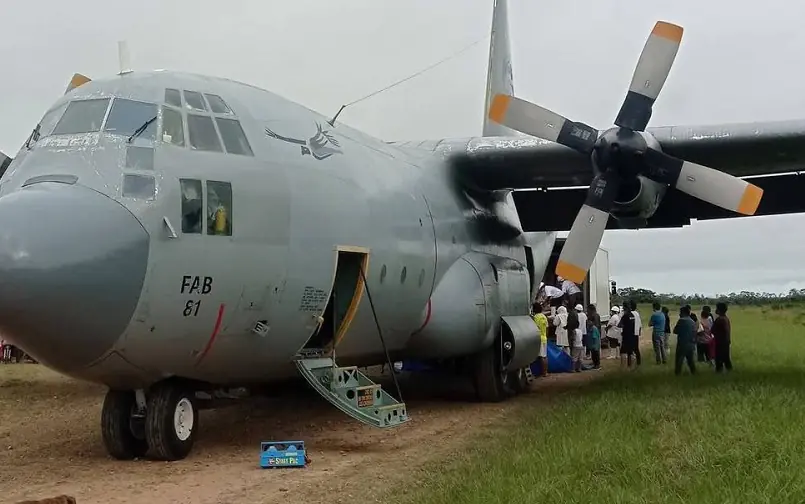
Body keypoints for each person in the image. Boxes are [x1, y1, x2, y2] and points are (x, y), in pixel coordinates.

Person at [673, 305, 697, 375]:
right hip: (691, 344)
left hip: (682, 344)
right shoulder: (692, 321)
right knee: (690, 361)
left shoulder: (681, 320)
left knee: (679, 361)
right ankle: (694, 373)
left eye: (680, 312)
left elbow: (675, 331)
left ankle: (677, 375)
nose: (679, 314)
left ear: (683, 313)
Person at [712, 302, 733, 373]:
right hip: (726, 341)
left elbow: (712, 330)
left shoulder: (719, 319)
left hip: (720, 342)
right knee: (726, 358)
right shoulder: (726, 318)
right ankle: (730, 371)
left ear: (719, 310)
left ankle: (719, 372)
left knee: (719, 359)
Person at [532, 304, 549, 377]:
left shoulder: (535, 317)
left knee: (538, 356)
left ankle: (536, 372)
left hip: (538, 338)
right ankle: (545, 372)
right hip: (544, 338)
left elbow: (533, 328)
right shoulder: (544, 317)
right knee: (544, 356)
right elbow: (547, 328)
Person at [618, 303, 637, 369]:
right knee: (631, 352)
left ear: (624, 308)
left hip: (626, 336)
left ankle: (623, 367)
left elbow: (620, 325)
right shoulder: (632, 315)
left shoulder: (625, 316)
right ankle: (632, 367)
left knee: (623, 352)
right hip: (632, 335)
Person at [629, 300, 643, 366]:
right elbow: (640, 324)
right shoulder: (637, 313)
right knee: (636, 348)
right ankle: (638, 362)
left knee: (629, 349)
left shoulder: (629, 314)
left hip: (630, 333)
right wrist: (639, 332)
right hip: (636, 333)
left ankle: (630, 363)